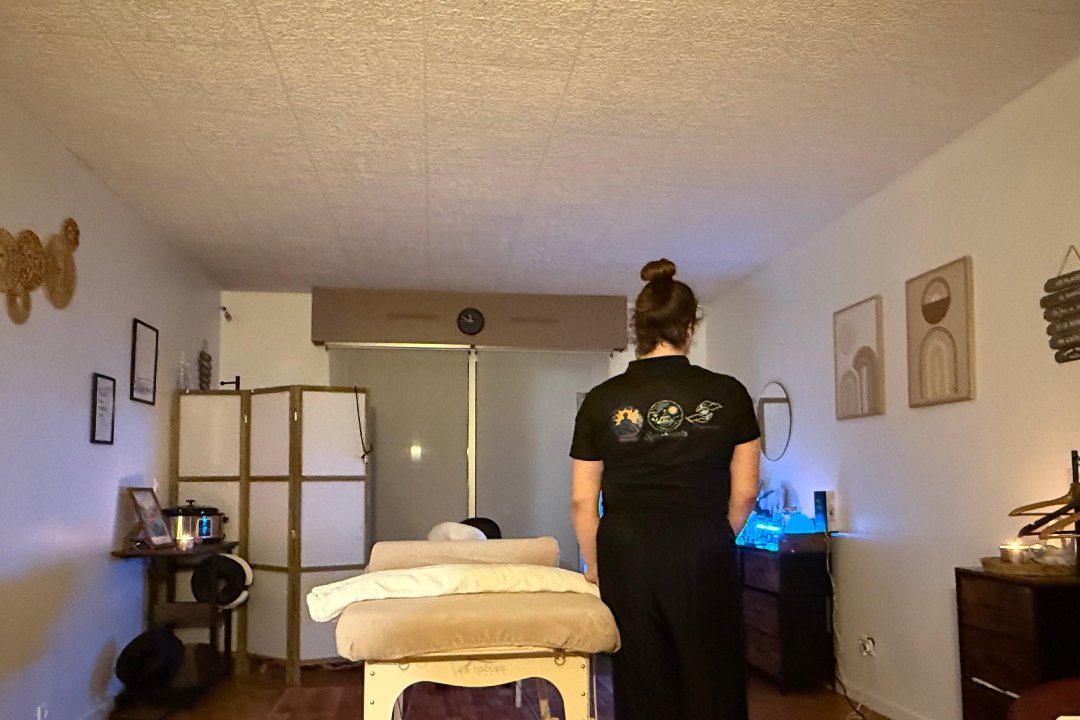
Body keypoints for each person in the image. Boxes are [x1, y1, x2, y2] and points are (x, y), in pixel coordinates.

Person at [570, 258, 761, 720]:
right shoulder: (730, 393)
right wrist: (719, 534)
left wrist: (595, 563)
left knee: (642, 674)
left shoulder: (601, 400)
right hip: (702, 540)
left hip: (627, 547)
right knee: (711, 669)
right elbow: (747, 491)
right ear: (689, 328)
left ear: (638, 330)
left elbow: (582, 499)